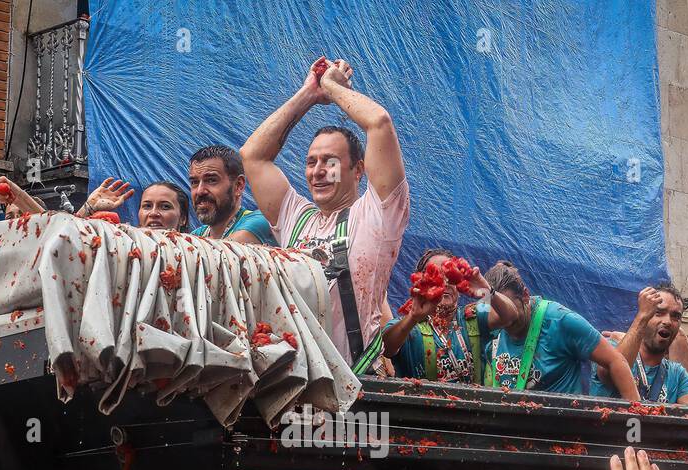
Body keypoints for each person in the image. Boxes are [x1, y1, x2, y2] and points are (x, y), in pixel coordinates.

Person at [242, 57, 409, 365]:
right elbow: (252, 157)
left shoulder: (378, 214)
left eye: (329, 162)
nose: (317, 171)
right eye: (311, 162)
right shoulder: (295, 217)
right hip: (296, 380)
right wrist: (308, 94)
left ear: (358, 169)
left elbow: (379, 123)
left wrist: (331, 88)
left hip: (356, 386)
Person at [481, 261, 639, 397]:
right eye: (497, 313)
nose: (504, 321)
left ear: (525, 296)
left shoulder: (560, 320)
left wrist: (637, 422)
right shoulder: (489, 323)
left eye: (510, 311)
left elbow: (616, 361)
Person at [377, 250, 515, 383]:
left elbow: (511, 315)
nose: (445, 283)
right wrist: (413, 317)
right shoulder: (409, 325)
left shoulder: (473, 316)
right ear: (420, 283)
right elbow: (386, 348)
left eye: (450, 276)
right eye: (436, 277)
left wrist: (487, 291)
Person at [590, 283, 688, 405]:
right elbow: (610, 375)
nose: (668, 321)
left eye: (675, 316)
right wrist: (642, 316)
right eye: (658, 312)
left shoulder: (677, 374)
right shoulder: (612, 347)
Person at [187, 145, 276, 245]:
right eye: (194, 182)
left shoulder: (259, 222)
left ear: (238, 185)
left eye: (211, 180)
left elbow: (219, 256)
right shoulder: (198, 234)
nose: (200, 191)